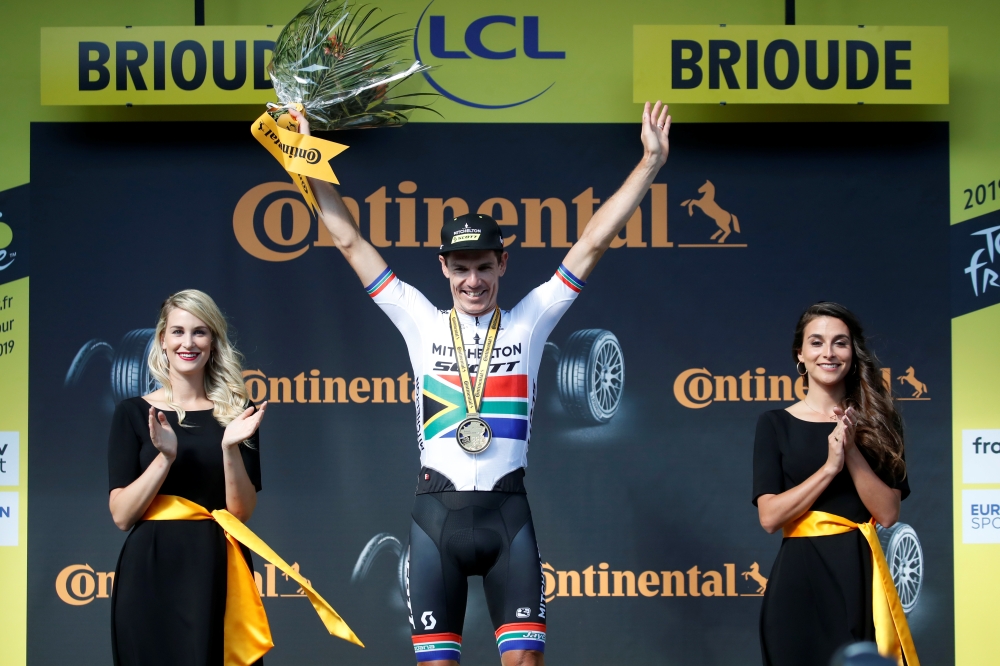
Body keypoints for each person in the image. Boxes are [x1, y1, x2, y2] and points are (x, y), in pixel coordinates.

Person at [287, 100, 671, 665]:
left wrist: (650, 164)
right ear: (443, 266)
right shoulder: (418, 319)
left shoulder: (530, 319)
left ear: (503, 265)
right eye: (461, 267)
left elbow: (591, 243)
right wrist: (304, 158)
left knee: (524, 662)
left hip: (508, 517)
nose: (473, 280)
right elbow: (349, 242)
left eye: (484, 267)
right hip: (433, 517)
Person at [752, 302, 919, 666]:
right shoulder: (774, 423)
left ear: (852, 353)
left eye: (839, 343)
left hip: (861, 576)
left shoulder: (880, 421)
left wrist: (851, 450)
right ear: (801, 354)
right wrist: (829, 467)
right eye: (816, 342)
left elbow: (888, 514)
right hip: (799, 583)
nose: (828, 352)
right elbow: (769, 518)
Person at [108, 289, 267, 666]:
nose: (188, 342)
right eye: (177, 331)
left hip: (219, 565)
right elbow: (121, 516)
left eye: (199, 331)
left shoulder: (238, 412)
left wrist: (229, 448)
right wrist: (165, 457)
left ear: (213, 341)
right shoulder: (132, 413)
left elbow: (241, 513)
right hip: (152, 568)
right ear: (162, 339)